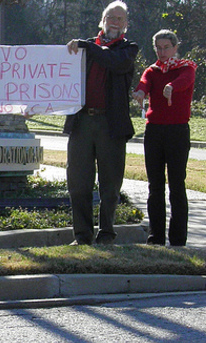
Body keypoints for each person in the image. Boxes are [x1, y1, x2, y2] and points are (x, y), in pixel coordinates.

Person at [64, 1, 139, 245]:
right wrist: (36, 106)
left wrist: (86, 45)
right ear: (102, 20)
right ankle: (82, 236)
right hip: (81, 122)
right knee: (78, 183)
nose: (115, 22)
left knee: (110, 184)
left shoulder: (128, 49)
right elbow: (60, 82)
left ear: (126, 25)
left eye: (120, 18)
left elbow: (115, 63)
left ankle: (106, 234)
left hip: (111, 124)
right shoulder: (80, 49)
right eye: (111, 17)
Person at [132, 30, 196, 246]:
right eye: (158, 48)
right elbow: (144, 83)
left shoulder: (186, 67)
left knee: (176, 184)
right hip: (155, 131)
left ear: (176, 47)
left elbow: (184, 81)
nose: (162, 52)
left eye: (166, 47)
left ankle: (178, 239)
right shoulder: (152, 70)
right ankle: (156, 237)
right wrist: (140, 93)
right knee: (155, 185)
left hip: (177, 132)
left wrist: (171, 87)